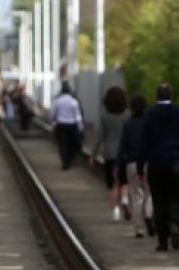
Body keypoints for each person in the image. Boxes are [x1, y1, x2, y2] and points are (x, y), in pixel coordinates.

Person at [136, 83, 179, 251]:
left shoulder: (149, 116)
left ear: (157, 96)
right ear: (172, 96)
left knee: (159, 201)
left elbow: (143, 144)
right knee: (175, 197)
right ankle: (174, 220)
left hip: (156, 165)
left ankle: (163, 241)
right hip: (176, 164)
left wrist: (140, 168)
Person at [89, 86, 130, 221]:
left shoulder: (105, 116)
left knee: (113, 185)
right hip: (125, 155)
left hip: (110, 155)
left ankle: (116, 211)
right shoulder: (127, 115)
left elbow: (99, 136)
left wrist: (93, 154)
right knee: (124, 182)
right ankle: (124, 199)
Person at [117, 94, 154, 238]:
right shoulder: (151, 122)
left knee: (136, 196)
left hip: (132, 163)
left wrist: (118, 164)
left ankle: (139, 229)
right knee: (149, 193)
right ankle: (149, 215)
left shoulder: (128, 123)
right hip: (149, 162)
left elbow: (122, 147)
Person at [51, 82, 84, 169]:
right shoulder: (74, 102)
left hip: (61, 125)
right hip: (72, 125)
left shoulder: (58, 101)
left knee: (62, 144)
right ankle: (69, 159)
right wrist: (80, 127)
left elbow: (54, 113)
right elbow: (77, 116)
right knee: (71, 143)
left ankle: (65, 162)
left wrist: (53, 123)